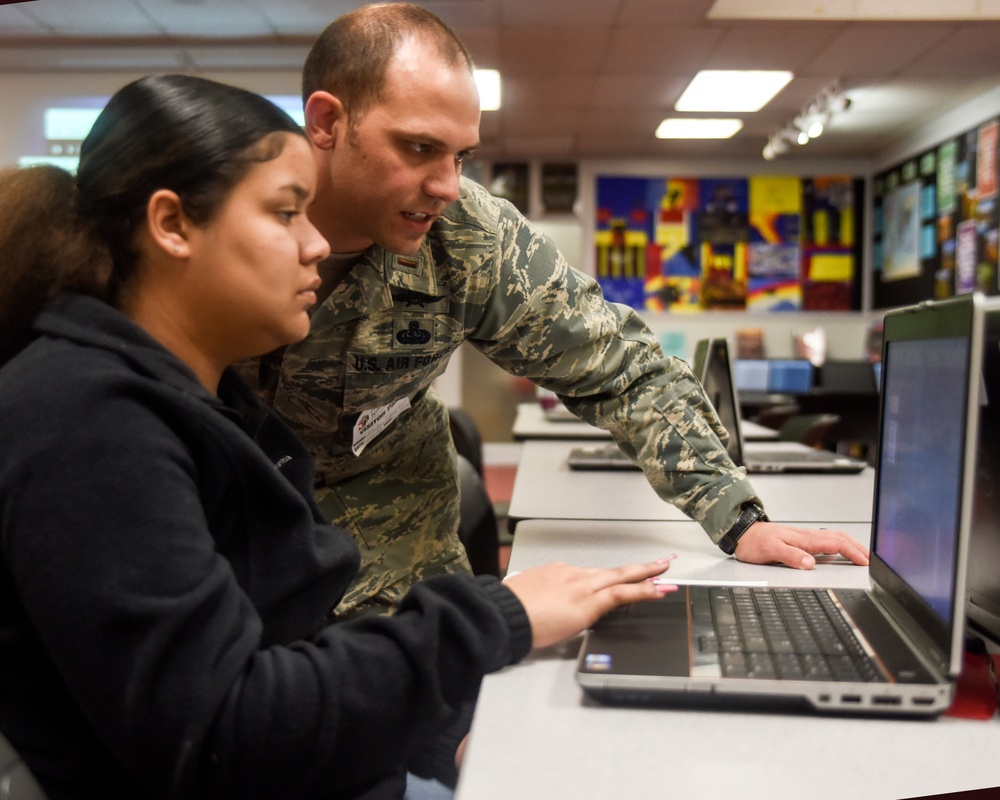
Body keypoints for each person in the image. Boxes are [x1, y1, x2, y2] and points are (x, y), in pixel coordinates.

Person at [0, 73, 674, 800]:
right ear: (173, 225)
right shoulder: (91, 425)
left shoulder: (199, 397)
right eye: (286, 212)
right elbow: (229, 732)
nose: (317, 243)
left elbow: (292, 645)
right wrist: (499, 618)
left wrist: (442, 730)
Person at [238, 2, 870, 619]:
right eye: (419, 147)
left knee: (420, 703)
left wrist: (736, 517)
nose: (447, 185)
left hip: (386, 522)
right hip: (220, 511)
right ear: (325, 123)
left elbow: (623, 369)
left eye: (461, 156)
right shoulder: (212, 224)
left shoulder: (468, 237)